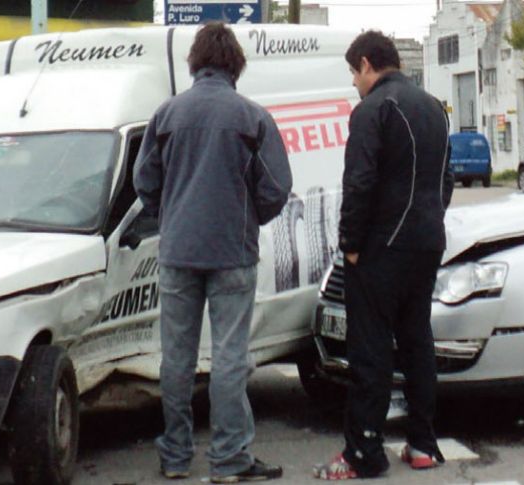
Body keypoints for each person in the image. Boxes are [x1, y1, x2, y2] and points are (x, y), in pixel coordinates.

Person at [133, 21, 292, 484]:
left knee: (176, 358)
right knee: (229, 357)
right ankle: (228, 460)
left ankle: (176, 457)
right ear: (235, 65)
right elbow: (277, 187)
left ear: (195, 63)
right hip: (233, 252)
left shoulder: (165, 116)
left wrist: (171, 214)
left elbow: (144, 182)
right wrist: (249, 219)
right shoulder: (252, 118)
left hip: (178, 250)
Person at [314, 30, 454, 480]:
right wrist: (427, 222)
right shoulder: (434, 108)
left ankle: (363, 452)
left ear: (369, 64)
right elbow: (444, 182)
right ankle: (422, 444)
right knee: (417, 341)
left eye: (355, 72)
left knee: (370, 350)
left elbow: (359, 182)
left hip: (381, 247)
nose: (354, 82)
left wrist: (350, 244)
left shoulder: (372, 110)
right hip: (427, 241)